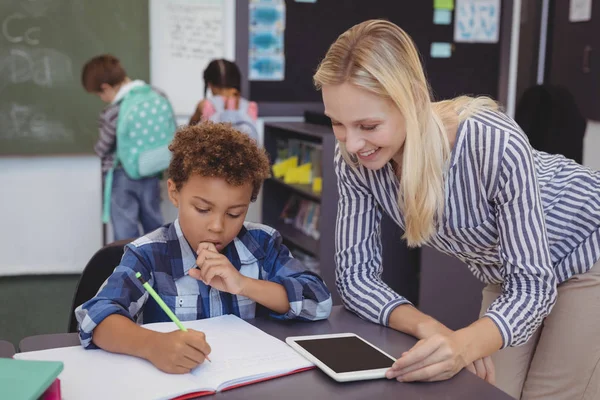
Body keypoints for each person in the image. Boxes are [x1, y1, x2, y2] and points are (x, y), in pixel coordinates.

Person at [314, 19, 600, 400]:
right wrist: (430, 327)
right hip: (510, 275)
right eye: (337, 123)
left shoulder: (488, 139)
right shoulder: (353, 157)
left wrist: (465, 344)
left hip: (587, 248)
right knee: (486, 391)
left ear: (413, 98)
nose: (352, 143)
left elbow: (533, 285)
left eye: (368, 124)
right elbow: (354, 278)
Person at [75, 122, 332, 374]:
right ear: (175, 192)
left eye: (234, 213)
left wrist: (243, 284)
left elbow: (319, 301)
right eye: (202, 209)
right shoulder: (148, 255)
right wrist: (153, 345)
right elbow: (94, 318)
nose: (217, 226)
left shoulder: (262, 244)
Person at [81, 55, 169, 240]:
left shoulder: (113, 111)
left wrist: (97, 148)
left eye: (99, 94)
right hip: (152, 172)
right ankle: (159, 267)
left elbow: (103, 147)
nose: (102, 98)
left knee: (125, 233)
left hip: (122, 176)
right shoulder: (157, 95)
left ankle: (131, 269)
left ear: (105, 87)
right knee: (154, 227)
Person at [189, 59, 258, 140]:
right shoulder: (251, 106)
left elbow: (188, 131)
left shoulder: (205, 105)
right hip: (244, 151)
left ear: (210, 84)